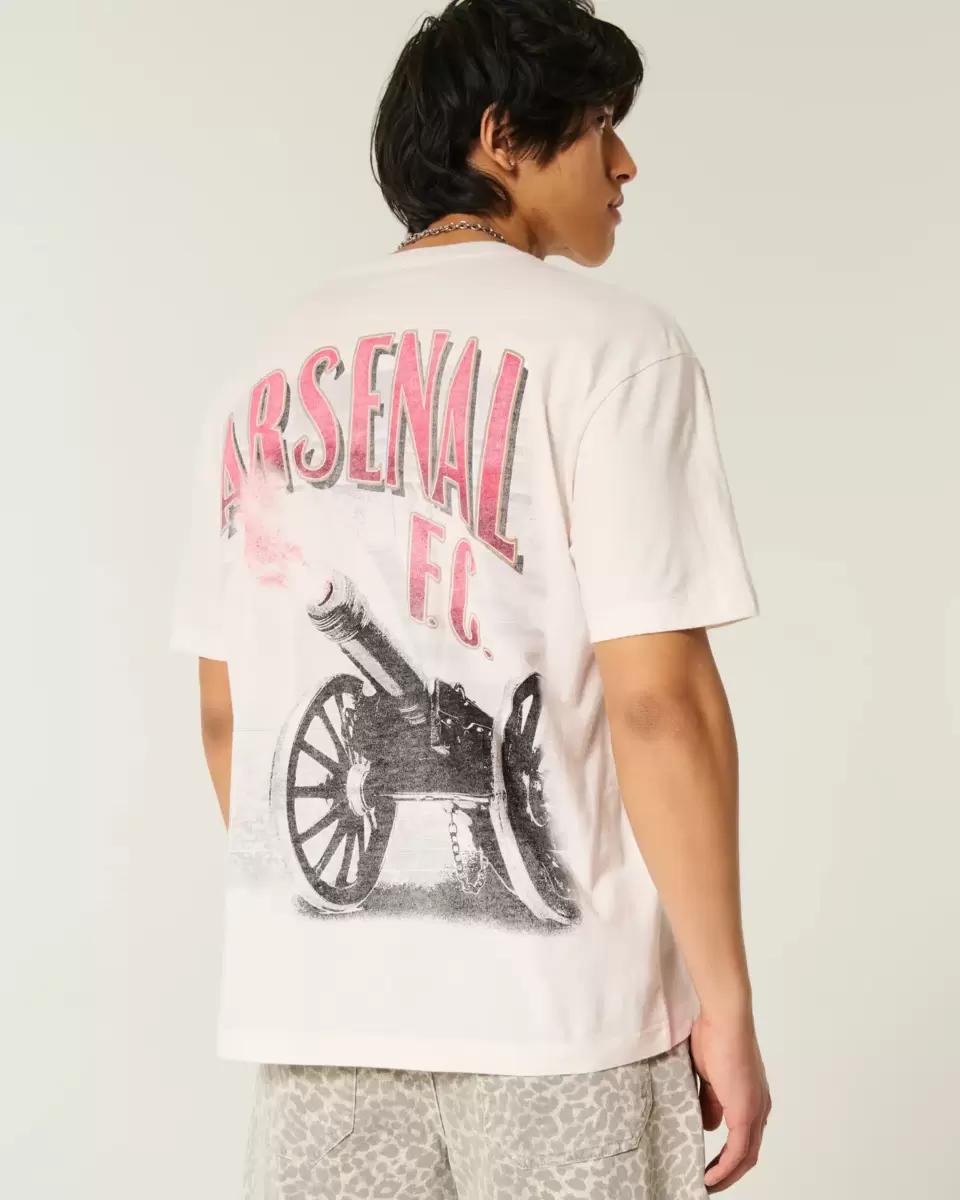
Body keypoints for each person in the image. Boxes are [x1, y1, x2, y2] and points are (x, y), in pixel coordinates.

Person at [170, 1, 772, 1196]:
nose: (625, 163)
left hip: (318, 1033)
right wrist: (728, 1004)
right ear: (503, 137)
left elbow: (229, 715)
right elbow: (660, 705)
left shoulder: (257, 371)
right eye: (598, 126)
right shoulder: (617, 349)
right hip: (564, 1029)